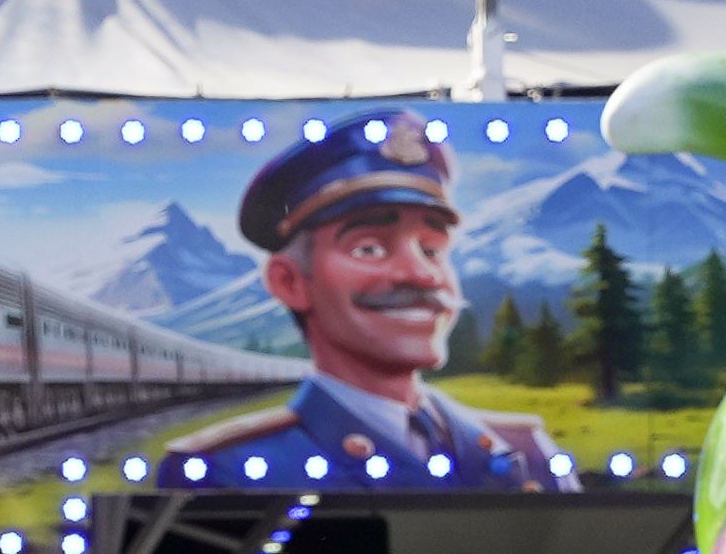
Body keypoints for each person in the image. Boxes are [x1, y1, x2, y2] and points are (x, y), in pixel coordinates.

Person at [212, 117, 576, 488]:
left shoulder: (528, 450)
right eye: (369, 248)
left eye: (431, 250)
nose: (422, 275)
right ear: (289, 282)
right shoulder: (232, 469)